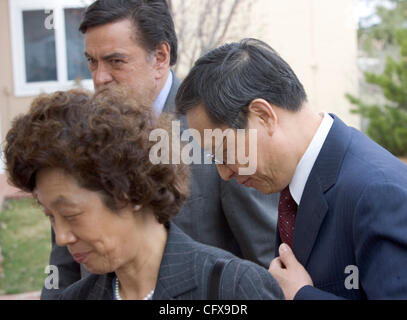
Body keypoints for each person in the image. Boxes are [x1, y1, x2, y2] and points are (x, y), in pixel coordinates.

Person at [39, 0, 279, 299]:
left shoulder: (220, 130)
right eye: (92, 61)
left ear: (161, 57)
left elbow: (265, 260)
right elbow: (63, 269)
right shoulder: (79, 136)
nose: (100, 78)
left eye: (115, 61)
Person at [175, 38, 407, 300]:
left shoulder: (378, 192)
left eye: (224, 152)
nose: (224, 173)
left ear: (263, 115)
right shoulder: (294, 186)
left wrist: (301, 295)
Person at [4, 88, 284, 300]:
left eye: (71, 215)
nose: (62, 237)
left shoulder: (232, 289)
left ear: (129, 192)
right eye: (50, 217)